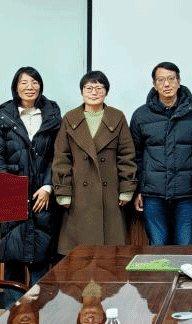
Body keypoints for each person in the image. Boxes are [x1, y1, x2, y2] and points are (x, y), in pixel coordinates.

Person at [0, 66, 62, 306]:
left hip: (43, 198)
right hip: (12, 202)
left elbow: (60, 157)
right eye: (24, 82)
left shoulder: (52, 117)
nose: (30, 87)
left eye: (34, 82)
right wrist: (12, 192)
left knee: (41, 263)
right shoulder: (3, 119)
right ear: (15, 87)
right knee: (14, 265)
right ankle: (11, 319)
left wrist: (49, 186)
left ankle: (41, 317)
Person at [52, 70, 136, 254]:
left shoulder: (117, 117)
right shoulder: (70, 118)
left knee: (111, 254)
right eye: (89, 88)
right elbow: (62, 157)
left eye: (99, 88)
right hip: (79, 194)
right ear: (82, 91)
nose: (94, 92)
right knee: (80, 255)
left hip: (110, 194)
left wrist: (127, 189)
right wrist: (63, 192)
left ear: (106, 91)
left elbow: (127, 155)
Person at [129, 61, 192, 245]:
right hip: (153, 195)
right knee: (157, 248)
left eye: (171, 79)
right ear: (154, 84)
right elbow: (135, 157)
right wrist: (138, 190)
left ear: (179, 82)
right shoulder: (141, 115)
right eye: (161, 80)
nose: (166, 84)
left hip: (187, 195)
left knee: (186, 248)